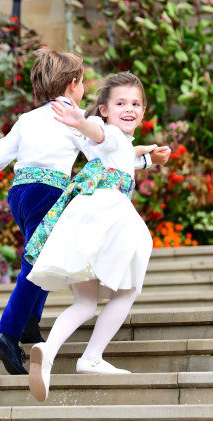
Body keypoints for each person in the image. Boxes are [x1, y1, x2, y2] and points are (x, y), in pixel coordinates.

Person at [0, 49, 170, 375]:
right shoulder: (73, 116)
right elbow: (104, 150)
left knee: (40, 253)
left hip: (20, 192)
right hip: (48, 192)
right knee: (36, 261)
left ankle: (28, 324)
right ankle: (8, 333)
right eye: (82, 82)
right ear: (73, 83)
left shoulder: (28, 118)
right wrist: (141, 156)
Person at [24, 72, 167, 402]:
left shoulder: (119, 143)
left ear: (143, 110)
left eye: (135, 103)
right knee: (128, 289)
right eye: (120, 103)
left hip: (84, 218)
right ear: (103, 109)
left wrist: (150, 158)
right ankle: (91, 357)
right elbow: (104, 137)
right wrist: (80, 121)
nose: (129, 108)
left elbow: (122, 156)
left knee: (85, 302)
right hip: (110, 217)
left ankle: (48, 351)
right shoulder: (109, 133)